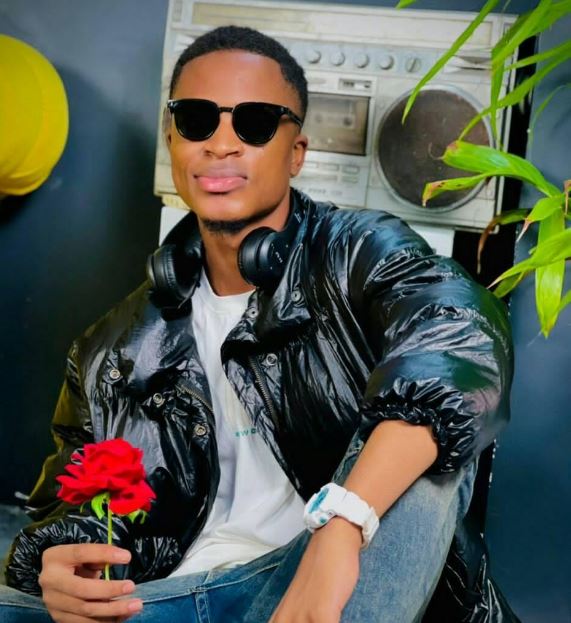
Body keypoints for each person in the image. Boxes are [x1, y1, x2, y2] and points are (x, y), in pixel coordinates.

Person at [1, 25, 519, 623]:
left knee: (424, 441)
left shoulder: (359, 255)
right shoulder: (109, 351)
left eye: (254, 123)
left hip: (326, 581)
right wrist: (57, 564)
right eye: (196, 120)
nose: (221, 144)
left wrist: (343, 522)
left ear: (296, 152)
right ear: (173, 141)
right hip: (165, 599)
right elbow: (60, 507)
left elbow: (461, 338)